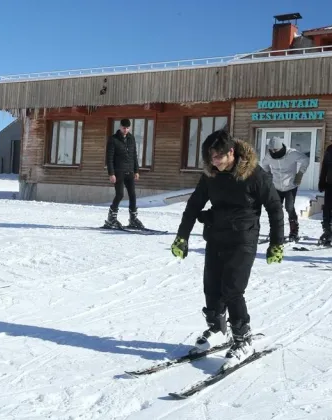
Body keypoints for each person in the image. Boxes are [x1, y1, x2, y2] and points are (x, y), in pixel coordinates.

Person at [170, 129, 284, 371]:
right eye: (210, 158)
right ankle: (218, 327)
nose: (214, 162)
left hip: (243, 238)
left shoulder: (254, 175)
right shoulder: (211, 174)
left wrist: (277, 242)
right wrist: (182, 237)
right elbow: (194, 205)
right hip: (216, 235)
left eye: (218, 157)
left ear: (231, 153)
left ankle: (243, 338)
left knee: (232, 288)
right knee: (211, 286)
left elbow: (275, 207)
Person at [260, 137, 310, 242]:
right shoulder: (269, 155)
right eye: (271, 150)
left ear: (281, 148)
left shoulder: (292, 153)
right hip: (276, 186)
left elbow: (305, 160)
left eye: (275, 150)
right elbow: (264, 164)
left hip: (290, 186)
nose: (273, 152)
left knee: (289, 207)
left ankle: (294, 232)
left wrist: (300, 174)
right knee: (276, 209)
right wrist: (268, 174)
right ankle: (275, 231)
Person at [104, 119, 143, 229]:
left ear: (129, 128)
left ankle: (133, 219)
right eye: (123, 128)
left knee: (133, 195)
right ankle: (111, 218)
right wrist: (111, 173)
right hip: (118, 171)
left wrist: (136, 170)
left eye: (127, 128)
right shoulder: (113, 139)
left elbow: (134, 155)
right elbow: (109, 158)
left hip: (130, 171)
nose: (125, 130)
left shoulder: (131, 138)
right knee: (120, 194)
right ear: (120, 127)